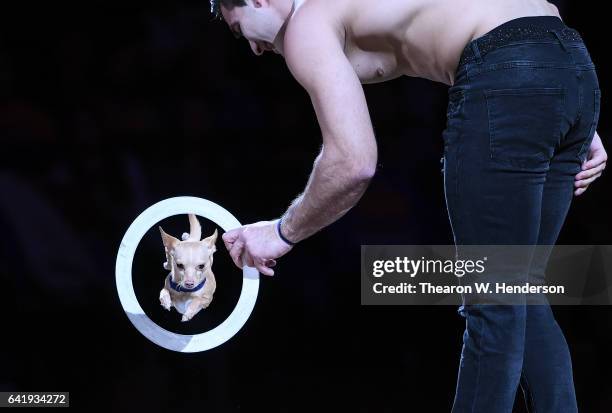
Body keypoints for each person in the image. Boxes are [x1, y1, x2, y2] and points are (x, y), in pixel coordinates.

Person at [217, 0, 607, 411]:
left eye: (242, 32)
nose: (255, 51)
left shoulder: (305, 24)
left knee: (492, 300)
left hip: (510, 73)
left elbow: (353, 162)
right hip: (568, 62)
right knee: (519, 289)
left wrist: (282, 233)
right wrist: (560, 99)